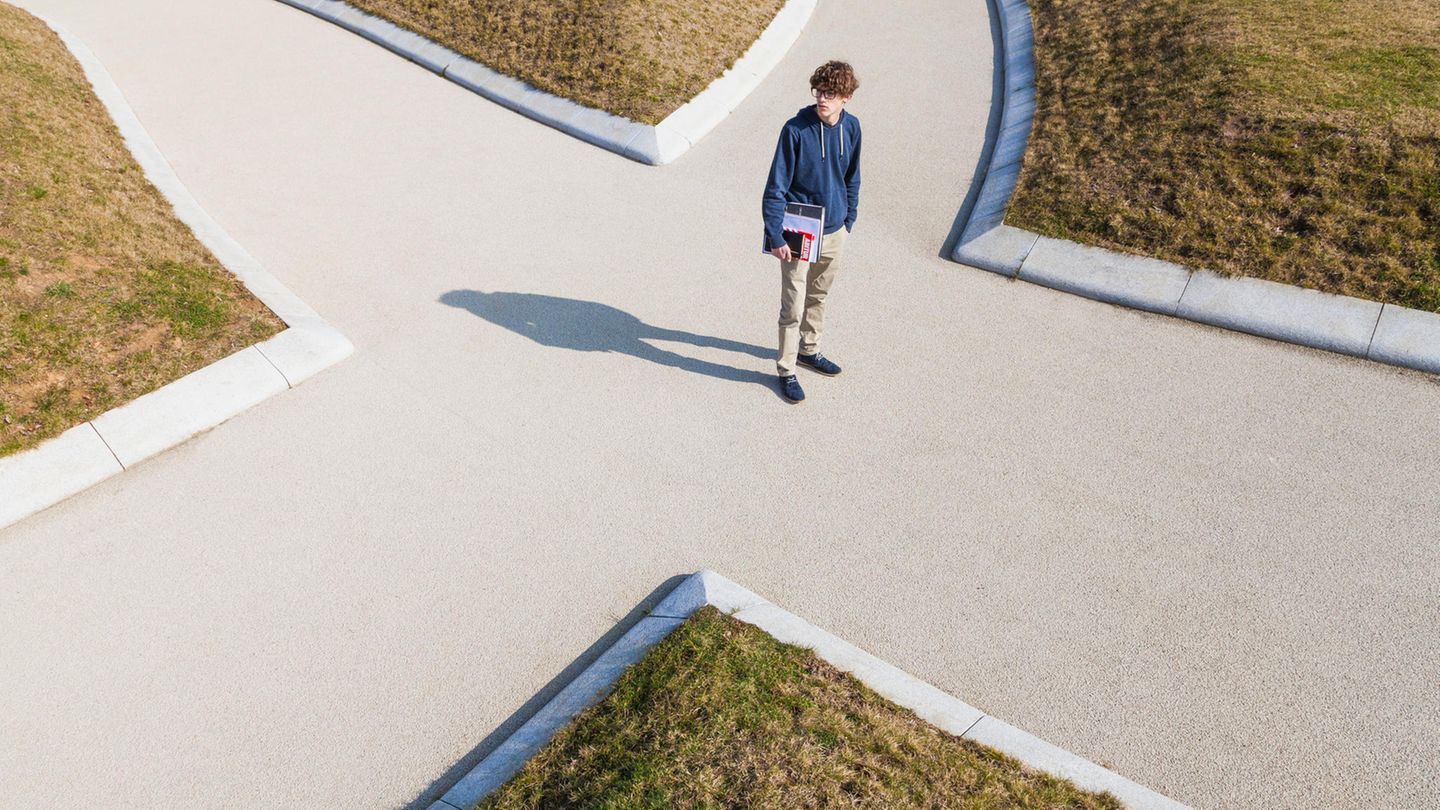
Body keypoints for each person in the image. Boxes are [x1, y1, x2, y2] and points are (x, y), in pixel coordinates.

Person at [761, 60, 862, 403]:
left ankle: (809, 350)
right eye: (819, 92)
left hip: (835, 230)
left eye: (830, 93)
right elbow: (776, 186)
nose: (822, 99)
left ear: (846, 97)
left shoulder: (852, 128)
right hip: (798, 230)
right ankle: (786, 370)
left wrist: (849, 220)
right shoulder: (795, 130)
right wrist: (775, 235)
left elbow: (853, 177)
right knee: (793, 304)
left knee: (819, 296)